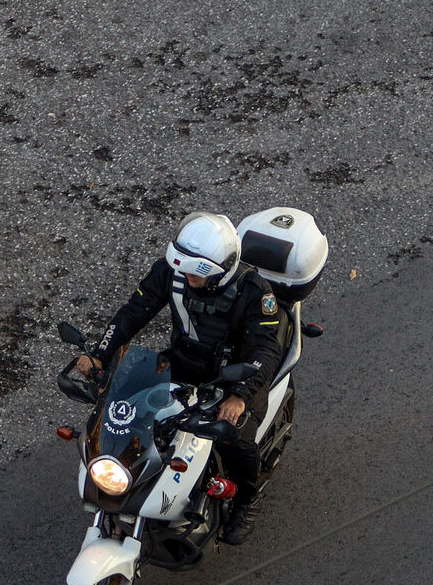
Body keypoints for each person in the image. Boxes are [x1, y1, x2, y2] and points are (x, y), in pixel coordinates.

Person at [76, 212, 283, 545]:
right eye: (184, 268)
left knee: (236, 439)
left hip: (235, 377)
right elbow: (134, 312)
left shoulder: (255, 293)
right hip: (183, 363)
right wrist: (100, 353)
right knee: (129, 409)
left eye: (197, 273)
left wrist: (241, 395)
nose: (188, 278)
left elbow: (266, 351)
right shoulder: (172, 272)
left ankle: (247, 499)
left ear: (221, 269)